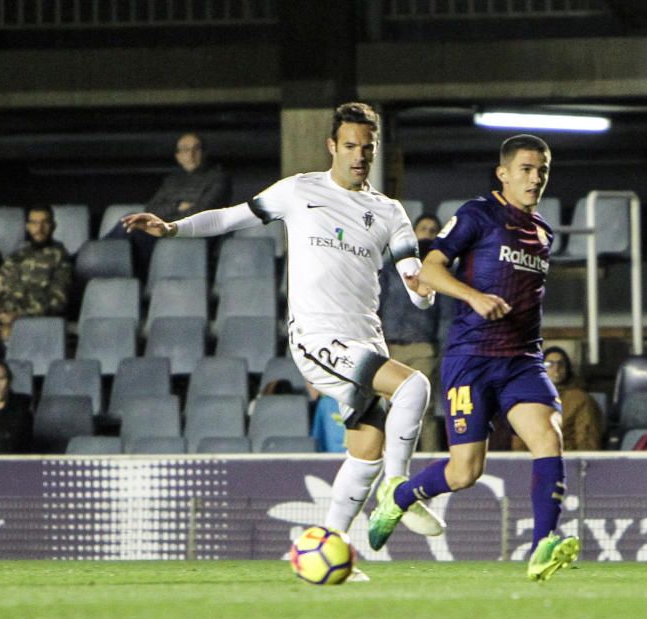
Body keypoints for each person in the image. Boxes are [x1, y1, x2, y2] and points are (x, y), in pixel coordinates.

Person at [123, 103, 445, 575]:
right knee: (414, 386)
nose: (359, 155)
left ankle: (328, 551)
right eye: (351, 146)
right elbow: (232, 218)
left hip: (365, 341)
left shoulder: (389, 212)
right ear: (332, 146)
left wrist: (424, 291)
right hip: (317, 336)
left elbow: (416, 287)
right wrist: (174, 228)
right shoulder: (299, 191)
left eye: (367, 148)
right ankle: (398, 491)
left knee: (366, 452)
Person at [368, 134, 581, 582]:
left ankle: (544, 545)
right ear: (503, 173)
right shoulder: (478, 214)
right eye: (526, 168)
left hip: (523, 358)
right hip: (471, 358)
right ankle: (402, 496)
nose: (535, 177)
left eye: (542, 169)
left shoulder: (544, 232)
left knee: (548, 437)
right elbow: (430, 269)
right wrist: (474, 297)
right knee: (464, 472)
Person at [108, 132, 231, 281]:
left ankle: (90, 255)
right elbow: (151, 209)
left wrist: (168, 216)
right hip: (165, 230)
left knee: (132, 225)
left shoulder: (219, 179)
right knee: (129, 221)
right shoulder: (172, 181)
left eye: (196, 149)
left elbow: (202, 212)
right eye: (185, 150)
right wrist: (177, 205)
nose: (191, 154)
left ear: (204, 153)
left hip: (194, 235)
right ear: (178, 156)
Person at [378, 213, 453, 452]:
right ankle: (390, 462)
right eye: (423, 229)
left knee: (425, 410)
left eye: (433, 230)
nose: (428, 234)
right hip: (389, 348)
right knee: (387, 408)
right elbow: (377, 305)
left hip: (423, 348)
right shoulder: (391, 270)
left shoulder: (442, 273)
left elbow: (445, 317)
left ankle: (428, 461)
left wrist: (439, 351)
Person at [0, 205, 73, 342]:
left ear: (53, 226)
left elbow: (57, 302)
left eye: (45, 223)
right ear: (28, 226)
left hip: (36, 321)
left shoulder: (61, 257)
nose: (39, 228)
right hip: (3, 319)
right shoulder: (16, 256)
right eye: (34, 223)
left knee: (8, 333)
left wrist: (18, 316)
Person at [511, 346, 604, 451]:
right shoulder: (528, 400)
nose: (556, 369)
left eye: (561, 364)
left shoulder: (580, 399)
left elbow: (587, 440)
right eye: (549, 364)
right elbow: (520, 440)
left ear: (567, 368)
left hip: (567, 460)